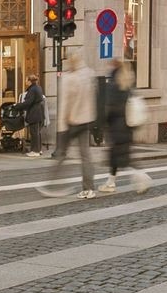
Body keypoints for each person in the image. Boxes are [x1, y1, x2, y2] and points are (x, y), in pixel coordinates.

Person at [44, 54, 98, 199]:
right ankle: (89, 188)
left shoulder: (68, 78)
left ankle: (51, 186)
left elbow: (64, 104)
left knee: (61, 154)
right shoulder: (89, 74)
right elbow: (94, 99)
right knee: (85, 156)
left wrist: (61, 126)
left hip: (71, 123)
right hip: (85, 121)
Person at [98, 59, 151, 194]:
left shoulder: (113, 86)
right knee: (116, 156)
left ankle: (142, 176)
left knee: (124, 158)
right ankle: (110, 183)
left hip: (117, 128)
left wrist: (103, 124)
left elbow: (110, 109)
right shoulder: (128, 86)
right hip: (127, 127)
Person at [21, 74, 46, 156]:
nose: (25, 82)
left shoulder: (32, 89)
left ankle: (35, 151)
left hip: (34, 113)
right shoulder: (38, 87)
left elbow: (28, 102)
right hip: (39, 112)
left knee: (34, 132)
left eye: (26, 80)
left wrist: (18, 106)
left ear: (30, 81)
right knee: (37, 132)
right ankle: (39, 149)